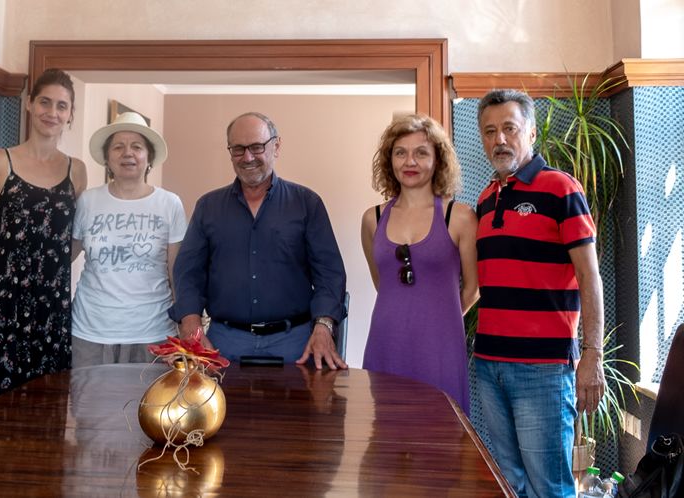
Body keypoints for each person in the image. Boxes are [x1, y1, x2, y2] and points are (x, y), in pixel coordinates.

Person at [473, 89, 605, 498]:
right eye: (490, 131)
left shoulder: (561, 189)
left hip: (542, 369)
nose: (499, 139)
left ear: (530, 132)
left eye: (509, 128)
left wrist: (593, 355)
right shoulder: (485, 199)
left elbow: (590, 277)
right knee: (509, 483)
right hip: (489, 364)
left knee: (549, 487)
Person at [168, 112, 347, 369]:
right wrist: (190, 323)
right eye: (238, 149)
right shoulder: (208, 207)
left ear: (276, 146)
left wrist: (324, 326)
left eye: (256, 147)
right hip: (223, 344)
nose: (248, 157)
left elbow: (329, 274)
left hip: (295, 344)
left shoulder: (307, 204)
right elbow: (188, 273)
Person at [0, 68, 87, 406]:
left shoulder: (76, 170)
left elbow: (73, 239)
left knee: (47, 409)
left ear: (70, 114)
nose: (52, 112)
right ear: (30, 104)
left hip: (53, 307)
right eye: (45, 102)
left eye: (61, 106)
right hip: (3, 301)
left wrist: (48, 263)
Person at [360, 114, 478, 414]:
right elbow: (383, 285)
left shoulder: (460, 217)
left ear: (438, 160)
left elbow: (473, 289)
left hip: (440, 347)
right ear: (390, 160)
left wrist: (439, 320)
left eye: (421, 153)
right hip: (386, 343)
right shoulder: (372, 219)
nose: (410, 161)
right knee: (386, 429)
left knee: (443, 428)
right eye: (400, 153)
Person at [70, 112, 186, 367]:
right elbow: (61, 257)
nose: (127, 153)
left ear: (149, 157)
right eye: (118, 147)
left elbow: (176, 271)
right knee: (87, 395)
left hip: (153, 331)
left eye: (137, 146)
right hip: (91, 331)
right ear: (107, 158)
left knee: (150, 395)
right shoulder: (88, 201)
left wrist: (185, 325)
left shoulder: (169, 204)